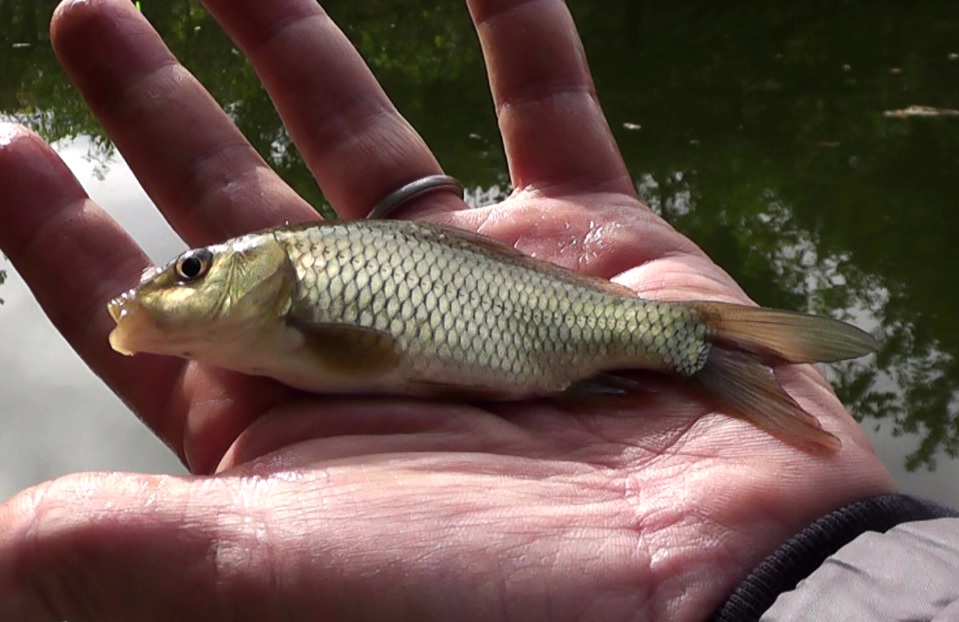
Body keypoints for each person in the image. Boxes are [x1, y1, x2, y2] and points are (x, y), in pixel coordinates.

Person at [0, 0, 953, 620]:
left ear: (264, 275)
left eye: (196, 270)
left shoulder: (297, 306)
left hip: (558, 336)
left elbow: (359, 352)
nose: (176, 287)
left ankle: (703, 351)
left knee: (679, 339)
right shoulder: (272, 335)